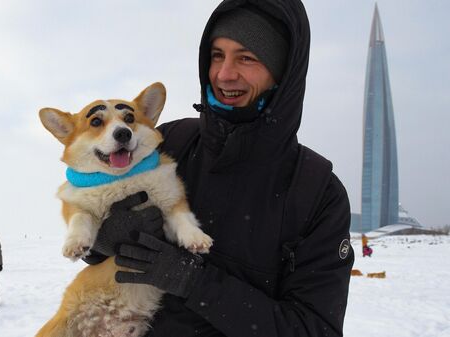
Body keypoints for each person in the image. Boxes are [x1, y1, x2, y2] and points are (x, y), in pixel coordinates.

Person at [83, 1, 354, 336]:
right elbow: (100, 250)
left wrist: (196, 282)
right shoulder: (171, 142)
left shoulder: (316, 193)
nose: (225, 74)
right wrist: (104, 237)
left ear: (282, 72)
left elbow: (315, 329)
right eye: (217, 55)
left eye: (247, 58)